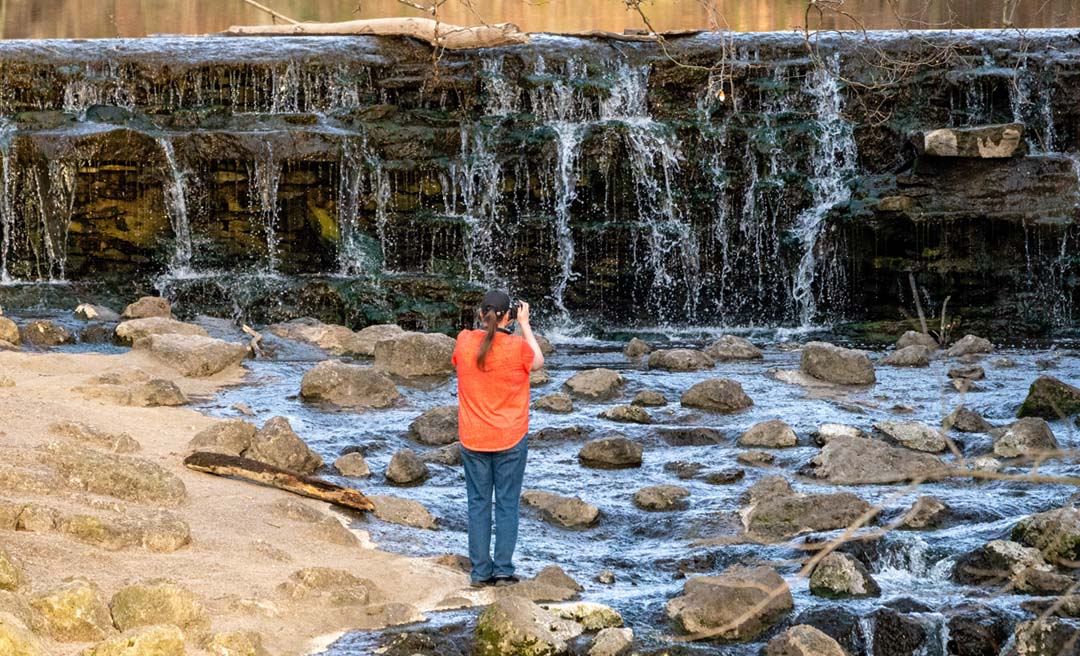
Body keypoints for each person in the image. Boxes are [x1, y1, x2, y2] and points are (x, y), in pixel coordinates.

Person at [452, 289, 545, 587]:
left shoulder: (464, 341)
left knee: (478, 504)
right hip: (510, 437)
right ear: (510, 317)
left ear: (481, 314)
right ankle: (503, 570)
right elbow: (539, 361)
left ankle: (480, 572)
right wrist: (525, 324)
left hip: (473, 438)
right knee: (507, 504)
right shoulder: (518, 348)